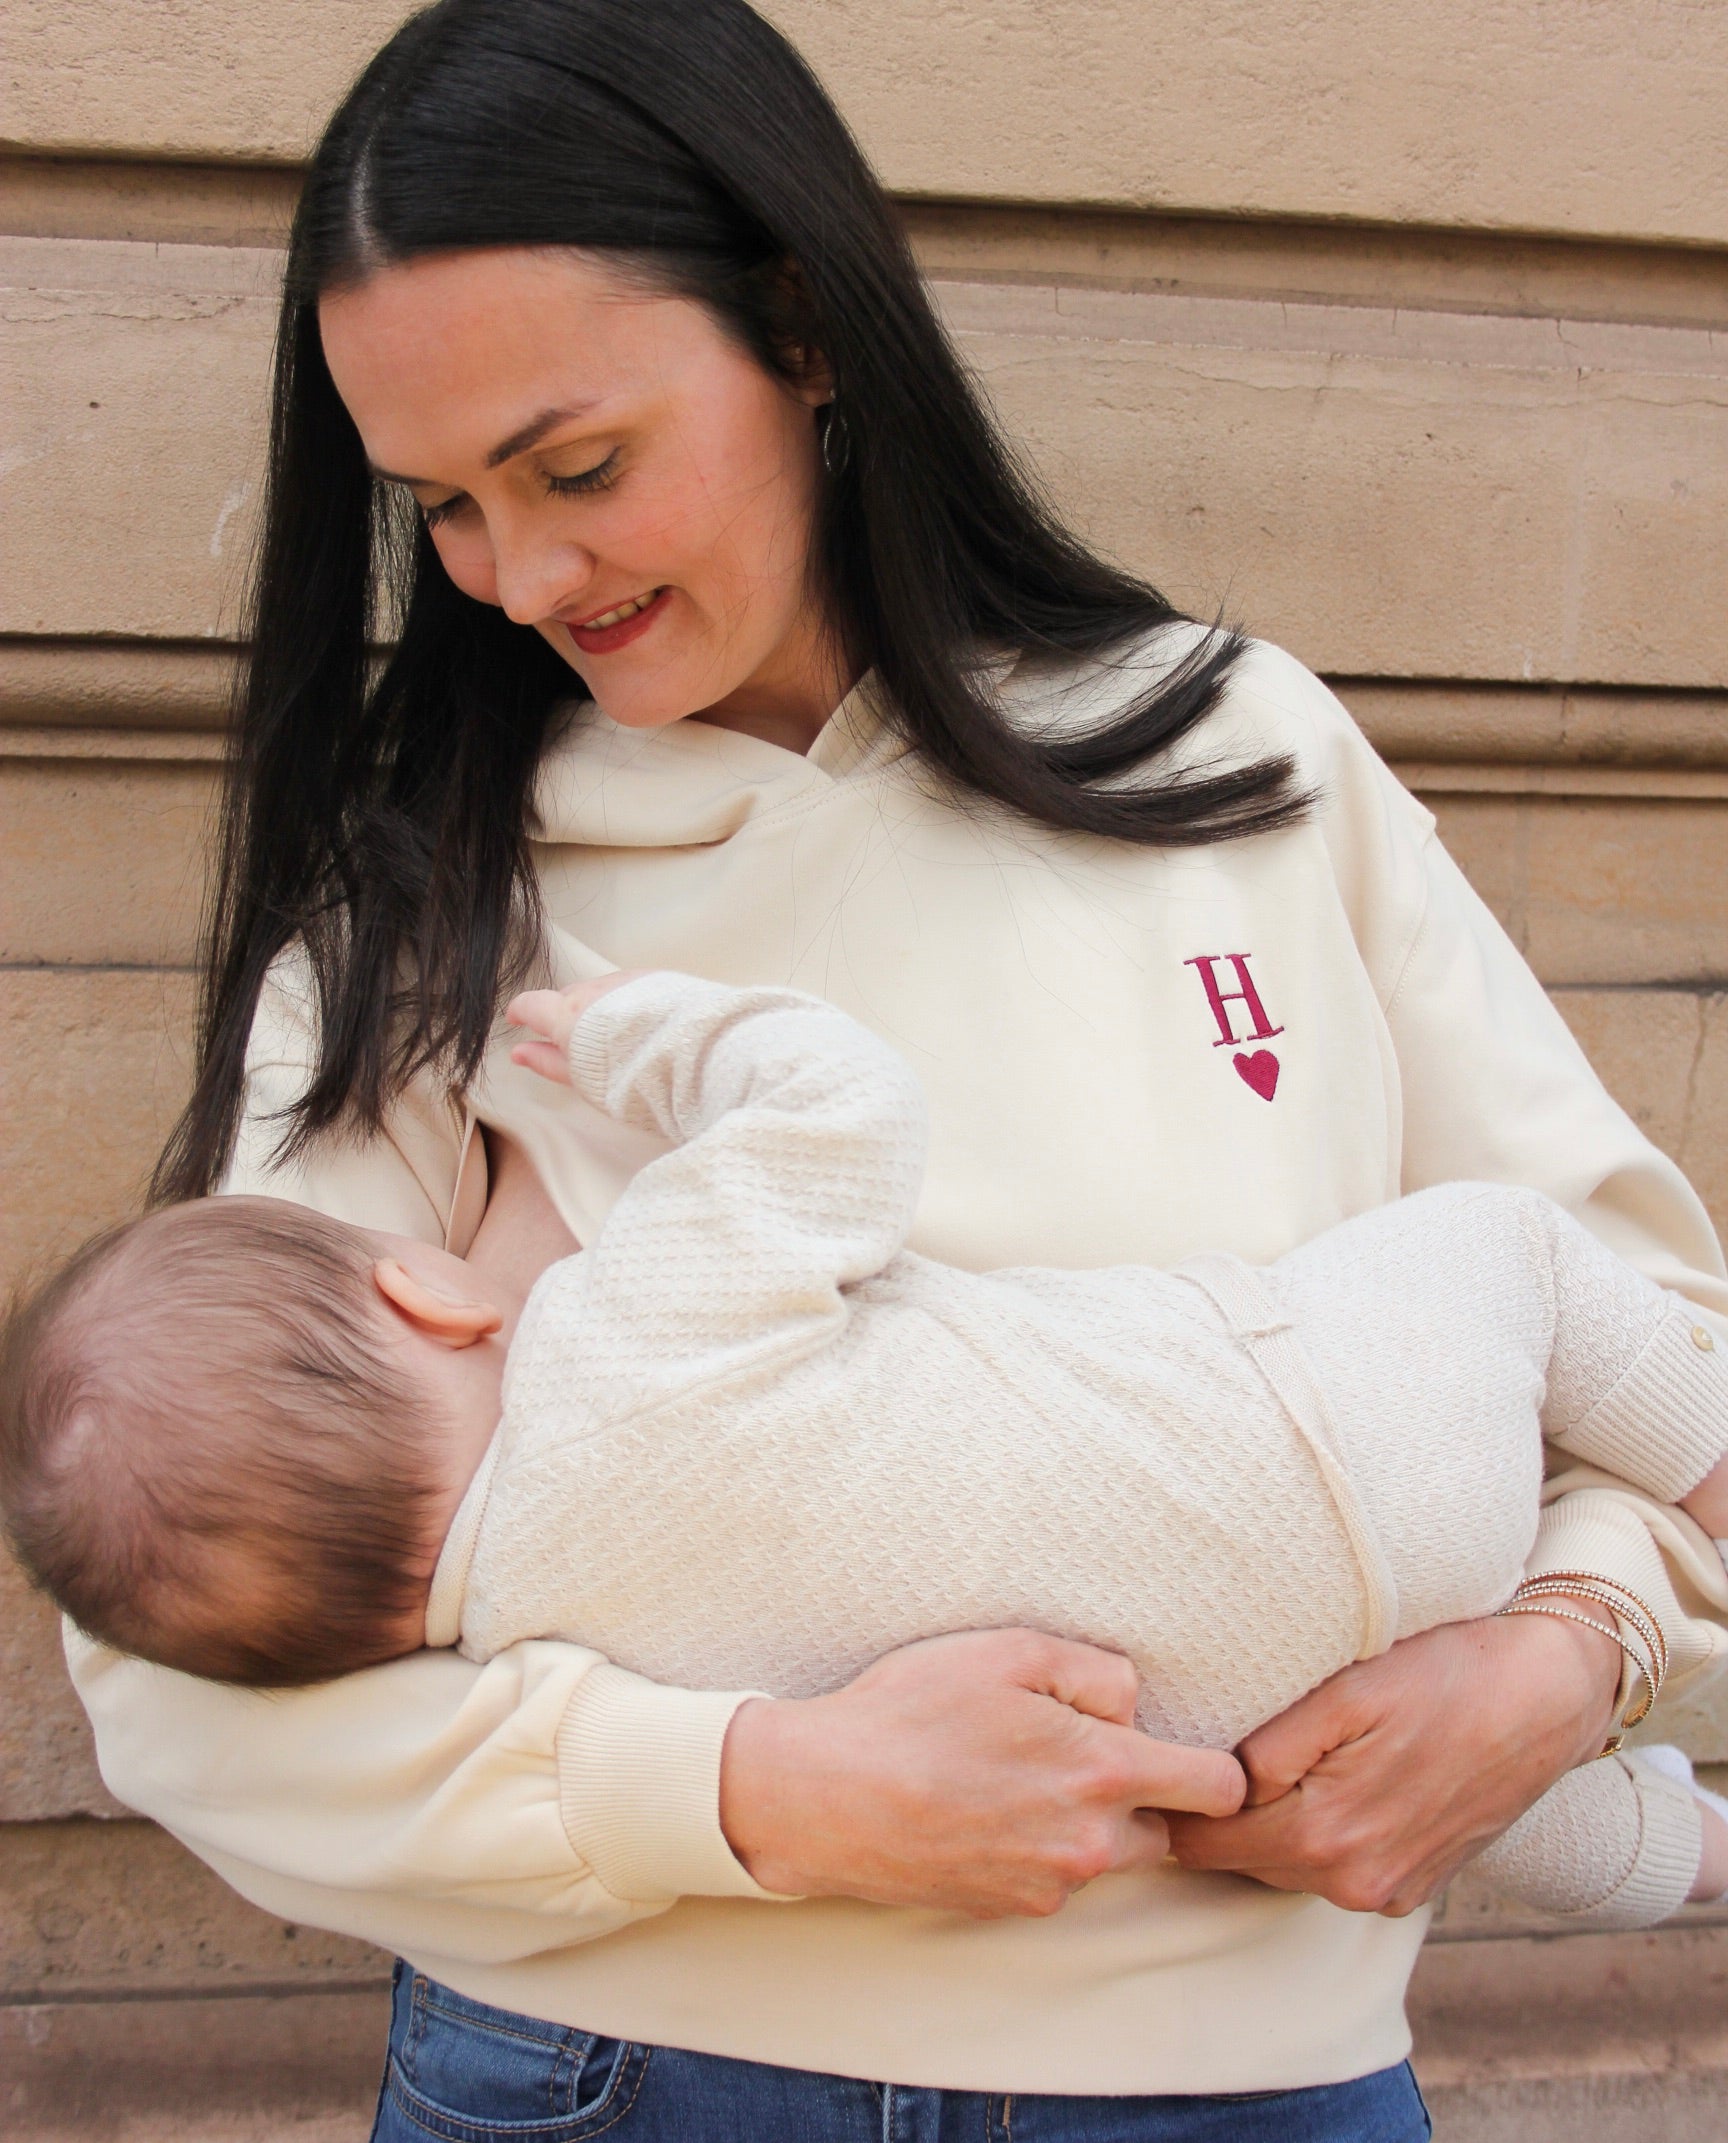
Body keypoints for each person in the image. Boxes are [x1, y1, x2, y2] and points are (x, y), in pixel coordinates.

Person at [64, 0, 1728, 2134]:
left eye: (578, 466)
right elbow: (175, 1673)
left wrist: (1565, 1657)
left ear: (806, 324)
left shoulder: (1241, 758)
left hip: (1257, 2082)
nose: (526, 576)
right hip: (626, 2076)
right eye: (444, 509)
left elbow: (1644, 1336)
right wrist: (759, 1791)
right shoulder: (434, 929)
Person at [13, 966, 1728, 1940]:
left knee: (1422, 1800)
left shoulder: (536, 1664)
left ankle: (1679, 1863)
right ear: (430, 1297)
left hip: (1215, 1736)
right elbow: (840, 1110)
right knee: (1517, 1255)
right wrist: (639, 1039)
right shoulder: (626, 1324)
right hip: (1334, 1433)